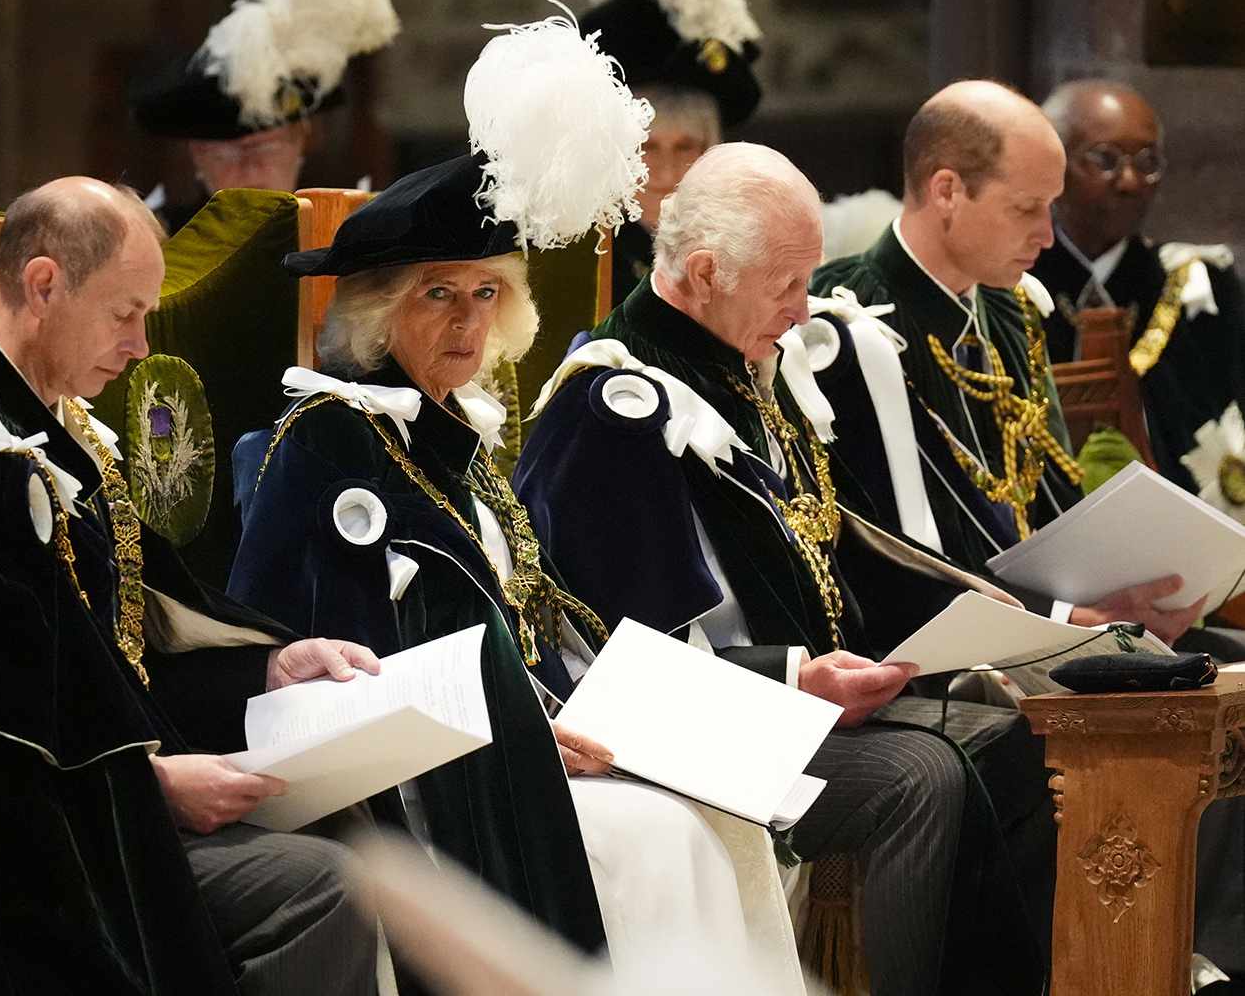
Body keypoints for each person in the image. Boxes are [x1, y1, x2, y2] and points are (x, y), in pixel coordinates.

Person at [231, 13, 805, 992]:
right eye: (436, 297)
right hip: (415, 789)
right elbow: (332, 653)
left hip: (526, 742)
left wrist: (596, 711)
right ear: (377, 312)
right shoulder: (324, 442)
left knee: (719, 816)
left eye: (485, 294)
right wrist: (531, 731)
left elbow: (533, 612)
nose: (467, 322)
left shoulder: (458, 439)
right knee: (656, 839)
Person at [0, 176, 380, 995]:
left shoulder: (67, 439)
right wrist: (151, 783)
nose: (143, 344)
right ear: (43, 286)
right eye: (126, 312)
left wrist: (268, 669)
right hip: (1, 838)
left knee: (362, 836)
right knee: (330, 884)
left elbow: (118, 662)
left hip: (95, 802)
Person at [516, 142, 1047, 996]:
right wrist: (795, 679)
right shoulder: (612, 407)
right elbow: (621, 653)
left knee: (1016, 735)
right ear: (702, 273)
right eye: (786, 286)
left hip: (801, 709)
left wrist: (1010, 630)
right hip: (686, 734)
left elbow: (836, 547)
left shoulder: (749, 368)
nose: (805, 313)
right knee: (923, 776)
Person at [808, 79, 1205, 642]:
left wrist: (1118, 598)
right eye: (1026, 208)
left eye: (1050, 207)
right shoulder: (845, 322)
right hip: (934, 650)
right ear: (946, 190)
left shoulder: (1010, 309)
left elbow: (1050, 497)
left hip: (1048, 621)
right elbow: (879, 552)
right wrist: (1065, 621)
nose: (1047, 234)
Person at [1035, 79, 1245, 493]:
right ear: (1052, 165)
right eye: (1105, 159)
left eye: (1147, 161)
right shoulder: (1010, 287)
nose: (1130, 181)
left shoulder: (1199, 289)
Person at [128, 0, 399, 231]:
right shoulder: (161, 244)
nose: (250, 167)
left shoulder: (343, 238)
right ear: (198, 156)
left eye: (266, 147)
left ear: (301, 141)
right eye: (226, 154)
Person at [580, 0, 762, 308]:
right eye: (647, 147)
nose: (666, 171)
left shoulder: (747, 247)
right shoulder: (577, 255)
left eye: (685, 146)